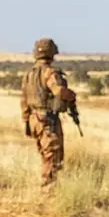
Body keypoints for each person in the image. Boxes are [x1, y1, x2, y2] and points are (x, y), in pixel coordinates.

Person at [20, 37, 76, 186]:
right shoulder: (49, 73)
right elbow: (58, 91)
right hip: (47, 120)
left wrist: (26, 121)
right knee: (52, 156)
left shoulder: (29, 75)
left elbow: (23, 100)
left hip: (34, 120)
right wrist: (71, 95)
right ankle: (48, 191)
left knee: (45, 155)